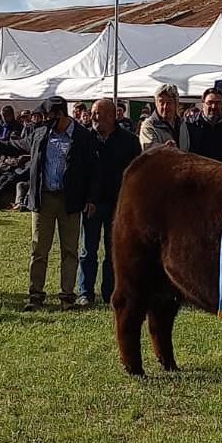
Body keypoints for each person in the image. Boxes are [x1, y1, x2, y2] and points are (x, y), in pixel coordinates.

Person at [22, 95, 99, 312]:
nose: (44, 120)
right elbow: (14, 145)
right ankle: (35, 295)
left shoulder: (82, 136)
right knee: (39, 249)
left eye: (47, 116)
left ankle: (67, 297)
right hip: (44, 199)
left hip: (69, 201)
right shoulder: (40, 134)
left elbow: (93, 170)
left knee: (70, 250)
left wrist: (91, 199)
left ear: (60, 114)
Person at [77, 98, 140, 308]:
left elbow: (134, 174)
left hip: (118, 205)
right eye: (93, 112)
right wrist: (86, 199)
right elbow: (81, 172)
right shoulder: (85, 138)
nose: (94, 117)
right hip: (92, 204)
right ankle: (85, 292)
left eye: (99, 113)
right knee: (88, 251)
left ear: (113, 116)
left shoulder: (129, 141)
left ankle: (110, 292)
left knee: (114, 252)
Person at [179, 89, 222, 165]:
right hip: (199, 172)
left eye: (218, 103)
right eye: (210, 102)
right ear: (203, 104)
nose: (214, 107)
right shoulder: (190, 125)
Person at [139, 84, 181, 149]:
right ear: (156, 103)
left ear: (176, 104)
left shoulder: (182, 123)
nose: (165, 107)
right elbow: (150, 152)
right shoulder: (149, 126)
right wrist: (164, 149)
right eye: (161, 102)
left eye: (169, 102)